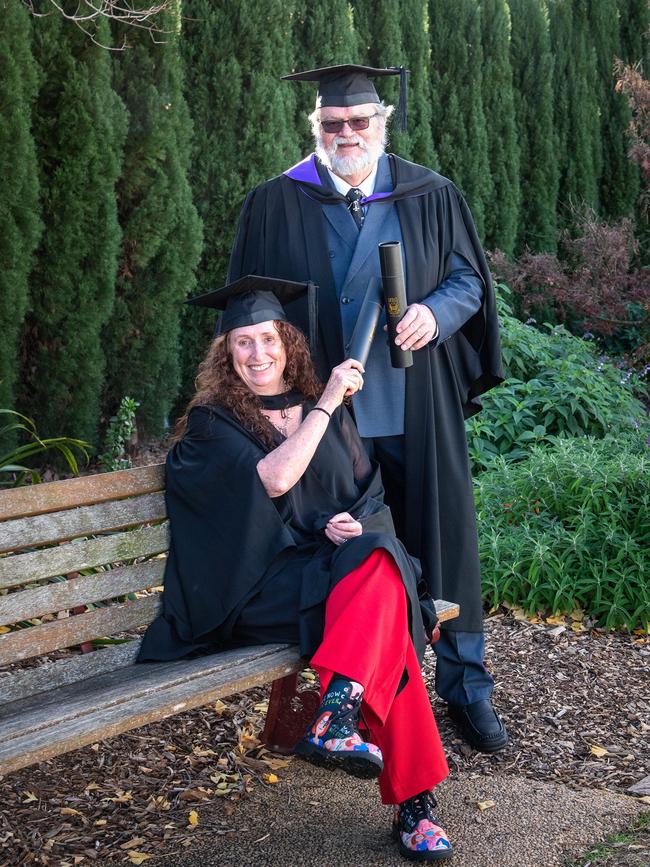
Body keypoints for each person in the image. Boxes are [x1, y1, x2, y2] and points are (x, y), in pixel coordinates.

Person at [228, 65, 508, 752]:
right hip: (326, 426)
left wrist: (435, 314)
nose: (345, 134)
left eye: (359, 122)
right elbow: (248, 311)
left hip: (416, 406)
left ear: (381, 123)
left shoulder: (429, 193)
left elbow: (470, 277)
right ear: (315, 128)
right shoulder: (274, 202)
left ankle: (465, 684)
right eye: (332, 124)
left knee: (441, 543)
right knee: (351, 554)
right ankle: (348, 697)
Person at [138, 275, 453, 861]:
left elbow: (367, 496)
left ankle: (338, 712)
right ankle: (413, 805)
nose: (258, 354)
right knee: (386, 610)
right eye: (243, 343)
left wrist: (351, 526)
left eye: (268, 339)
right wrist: (330, 402)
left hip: (326, 576)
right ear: (225, 355)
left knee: (375, 560)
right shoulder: (215, 426)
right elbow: (276, 479)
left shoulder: (316, 412)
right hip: (254, 589)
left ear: (288, 342)